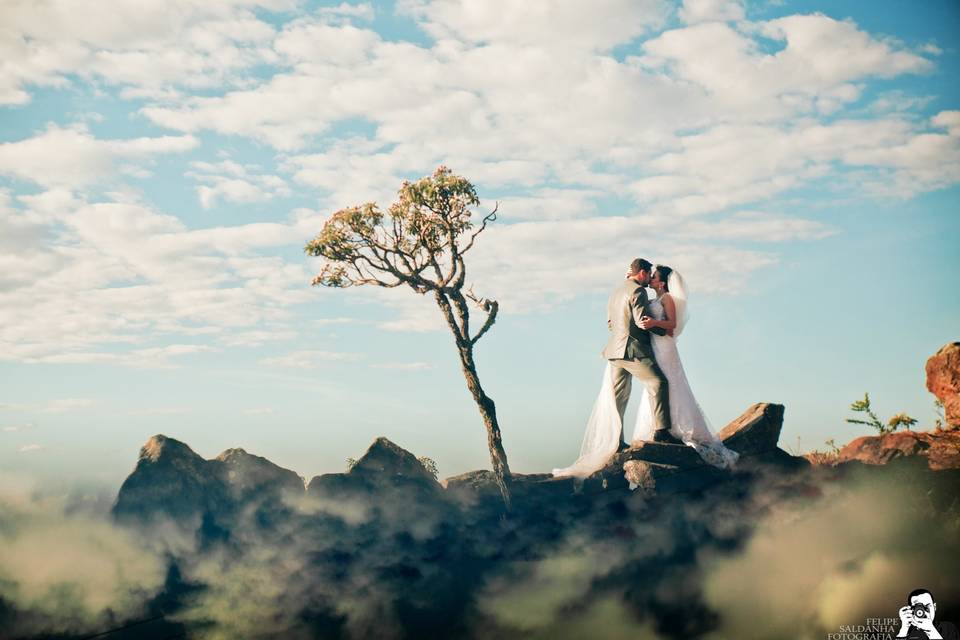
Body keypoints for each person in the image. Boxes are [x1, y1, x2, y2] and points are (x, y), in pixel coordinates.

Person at [552, 258, 675, 479]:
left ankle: (616, 441)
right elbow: (640, 322)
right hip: (632, 350)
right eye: (648, 275)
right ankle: (662, 432)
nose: (649, 279)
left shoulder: (617, 291)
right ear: (644, 273)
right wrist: (661, 333)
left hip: (614, 351)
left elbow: (610, 324)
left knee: (619, 396)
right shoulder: (638, 291)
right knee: (658, 382)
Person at [631, 264, 739, 469]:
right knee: (656, 385)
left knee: (670, 382)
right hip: (655, 345)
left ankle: (677, 426)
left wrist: (654, 323)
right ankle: (661, 425)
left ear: (662, 283)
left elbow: (671, 324)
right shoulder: (653, 299)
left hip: (665, 347)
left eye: (654, 276)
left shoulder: (667, 299)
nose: (651, 278)